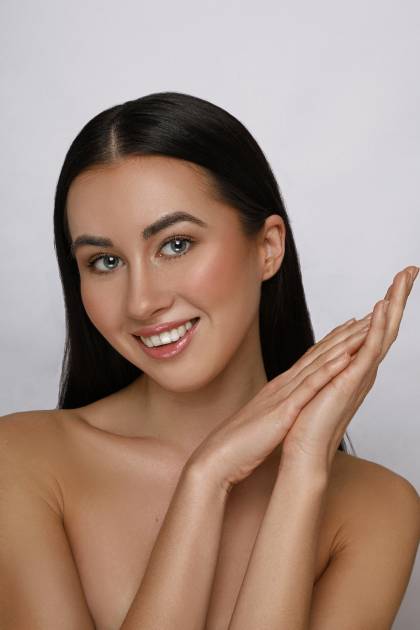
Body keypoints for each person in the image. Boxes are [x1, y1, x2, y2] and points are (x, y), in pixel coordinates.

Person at [0, 91, 418, 630]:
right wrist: (207, 479)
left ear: (267, 248)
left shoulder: (377, 507)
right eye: (104, 261)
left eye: (175, 245)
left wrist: (301, 471)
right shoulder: (20, 463)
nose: (141, 302)